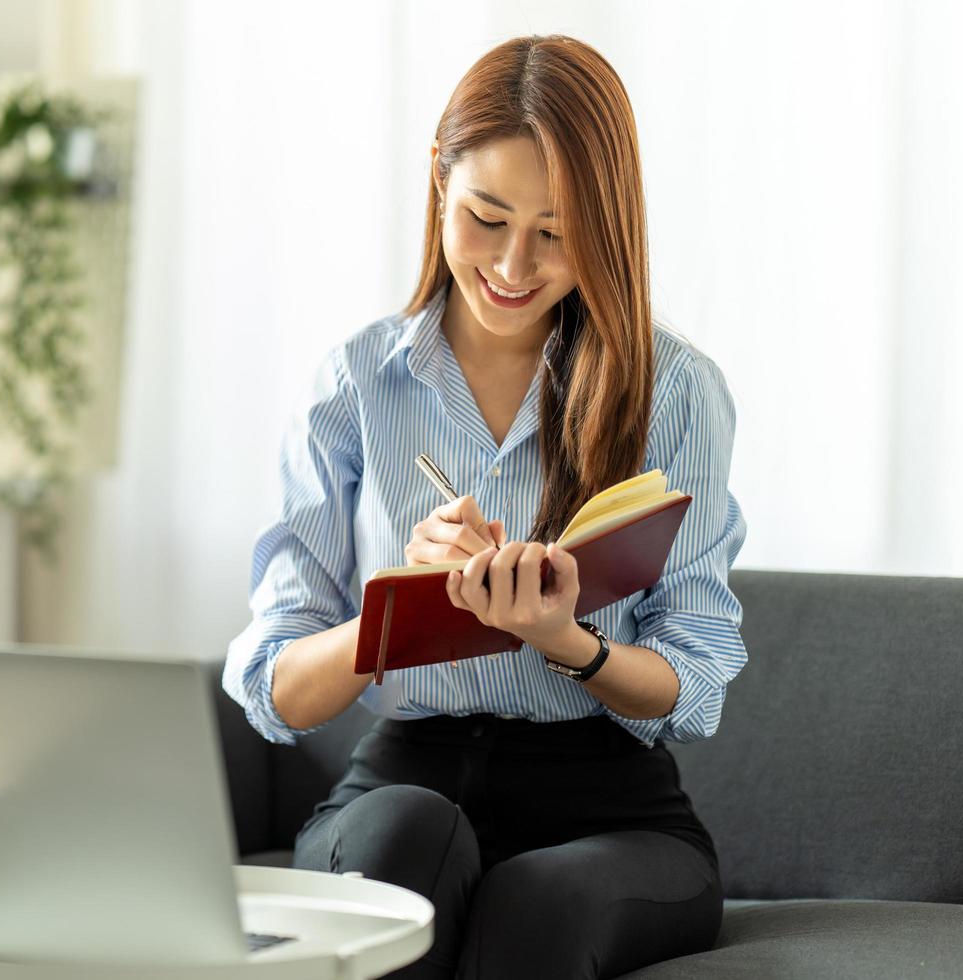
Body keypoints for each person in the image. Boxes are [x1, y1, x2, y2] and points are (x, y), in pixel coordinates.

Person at [222, 33, 747, 980]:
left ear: (609, 222)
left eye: (557, 232)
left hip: (612, 806)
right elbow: (273, 690)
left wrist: (565, 639)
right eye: (487, 217)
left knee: (537, 905)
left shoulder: (675, 392)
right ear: (438, 182)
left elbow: (695, 684)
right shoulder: (354, 385)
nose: (514, 264)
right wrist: (399, 606)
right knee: (400, 848)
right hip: (403, 780)